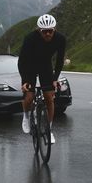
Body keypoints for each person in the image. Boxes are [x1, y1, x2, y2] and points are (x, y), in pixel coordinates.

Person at [18, 14, 66, 144]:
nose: (48, 34)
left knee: (49, 98)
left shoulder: (60, 39)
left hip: (46, 66)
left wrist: (55, 79)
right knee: (29, 96)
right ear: (39, 30)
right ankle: (26, 116)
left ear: (54, 29)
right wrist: (25, 80)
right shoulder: (30, 38)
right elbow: (22, 61)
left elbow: (60, 61)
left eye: (51, 31)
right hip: (29, 66)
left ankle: (49, 130)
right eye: (45, 31)